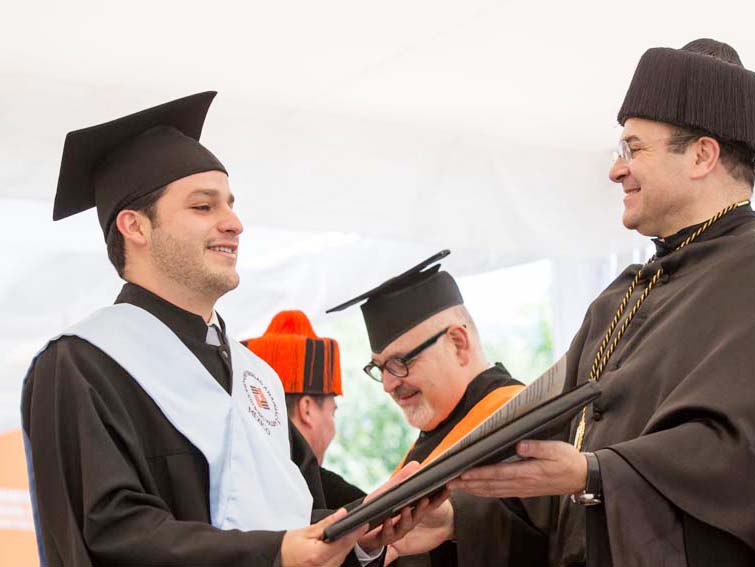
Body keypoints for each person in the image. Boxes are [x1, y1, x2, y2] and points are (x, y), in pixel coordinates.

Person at [447, 39, 755, 566]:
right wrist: (456, 519)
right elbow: (559, 498)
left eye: (633, 149)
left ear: (703, 155)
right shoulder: (621, 298)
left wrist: (596, 474)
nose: (616, 171)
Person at [21, 92, 437, 567]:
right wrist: (272, 553)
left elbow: (299, 513)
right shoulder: (83, 364)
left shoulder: (254, 376)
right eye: (204, 207)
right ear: (135, 226)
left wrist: (362, 534)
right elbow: (109, 534)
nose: (234, 223)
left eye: (231, 206)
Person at [327, 250, 548, 566]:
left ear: (458, 343)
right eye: (379, 368)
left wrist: (457, 522)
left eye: (401, 363)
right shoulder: (425, 446)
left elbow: (558, 540)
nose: (389, 384)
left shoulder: (526, 423)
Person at [245, 309, 367, 509]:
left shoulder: (235, 477)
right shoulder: (338, 500)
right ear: (307, 409)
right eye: (332, 412)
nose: (333, 428)